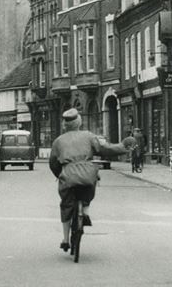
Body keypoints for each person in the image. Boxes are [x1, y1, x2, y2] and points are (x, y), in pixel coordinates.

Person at [49, 108, 128, 252]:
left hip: (68, 175)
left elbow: (53, 163)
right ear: (79, 122)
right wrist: (123, 147)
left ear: (65, 125)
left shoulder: (58, 141)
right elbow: (104, 149)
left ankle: (66, 240)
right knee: (90, 188)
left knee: (66, 205)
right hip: (87, 174)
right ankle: (85, 211)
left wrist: (60, 175)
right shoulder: (88, 136)